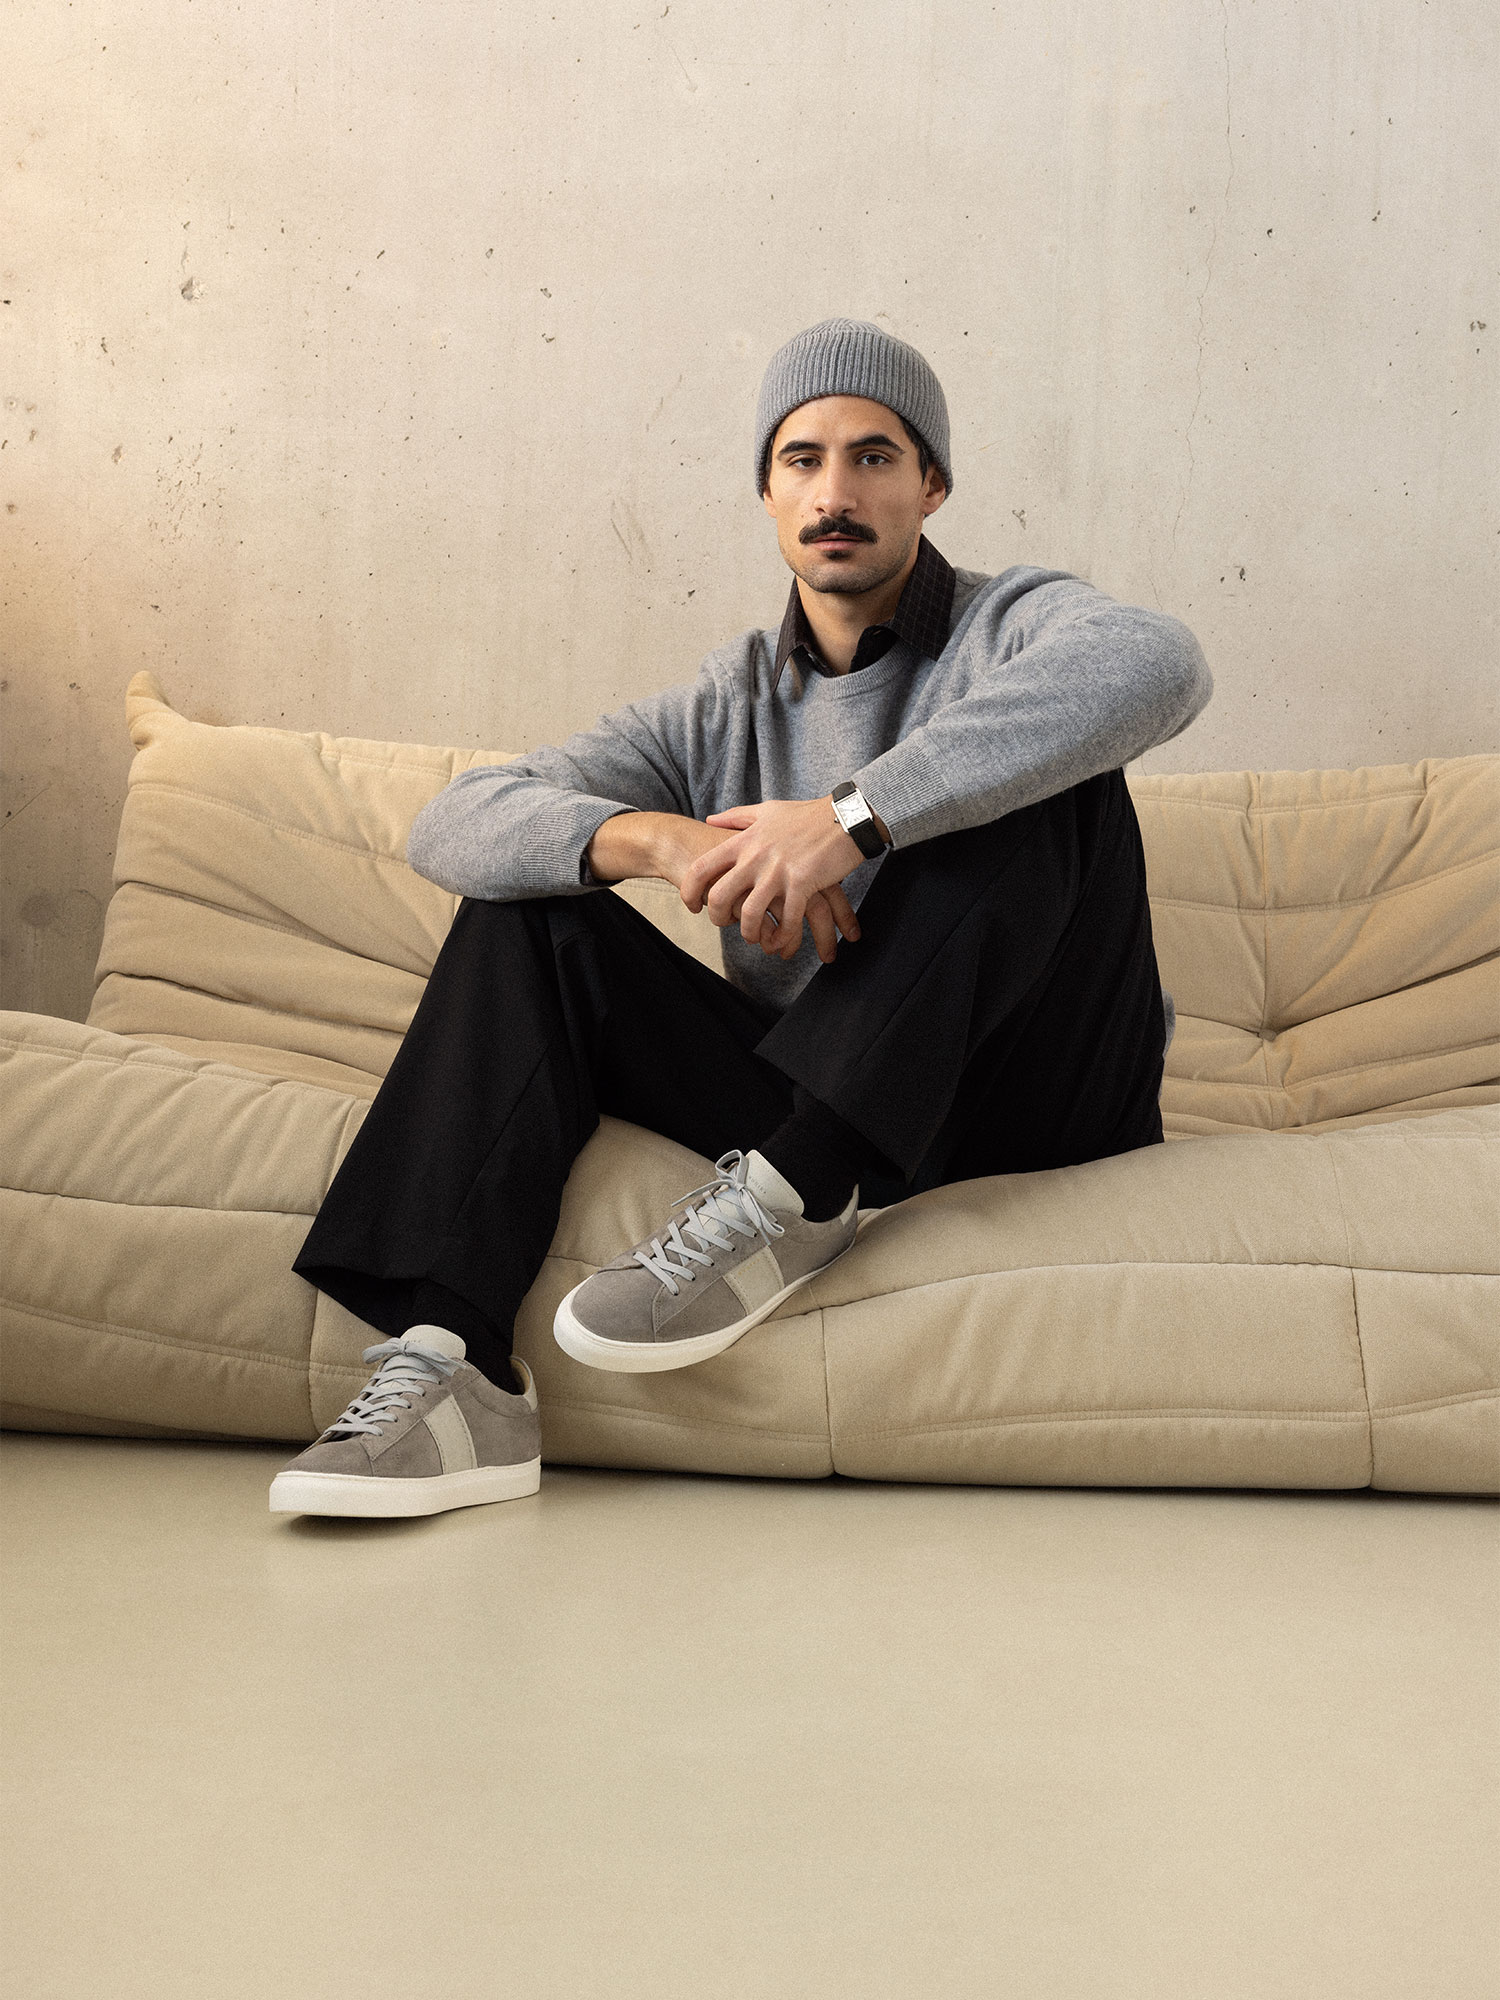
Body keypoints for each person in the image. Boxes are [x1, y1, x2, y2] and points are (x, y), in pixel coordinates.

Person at [268, 316, 1213, 1521]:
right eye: (802, 459)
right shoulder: (725, 704)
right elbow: (453, 823)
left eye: (874, 456)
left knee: (1051, 770)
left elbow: (1161, 663)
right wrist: (662, 842)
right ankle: (455, 1372)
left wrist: (850, 818)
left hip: (1040, 1092)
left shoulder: (1009, 624)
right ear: (767, 492)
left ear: (931, 485)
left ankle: (800, 1193)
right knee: (532, 908)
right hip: (805, 1105)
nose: (836, 491)